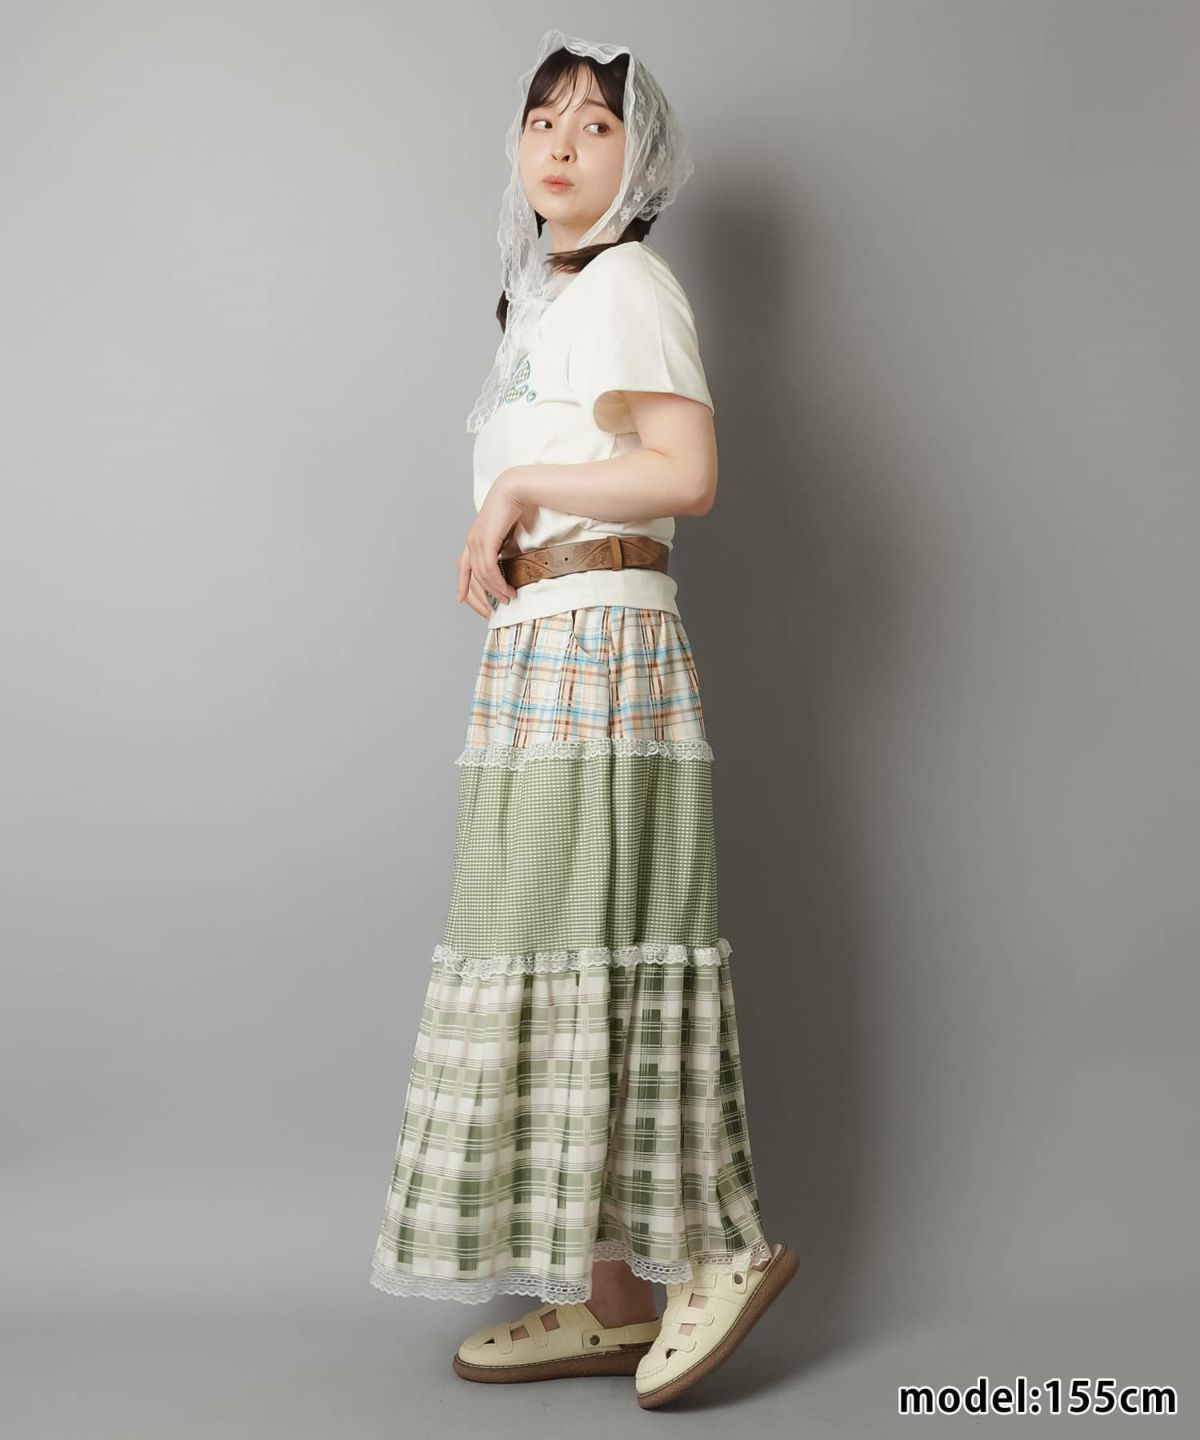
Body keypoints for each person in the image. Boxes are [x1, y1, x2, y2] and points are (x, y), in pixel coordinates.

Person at [369, 30, 797, 1409]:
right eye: (542, 118)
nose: (560, 142)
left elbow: (686, 471)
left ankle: (722, 1252)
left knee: (616, 940)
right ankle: (612, 1302)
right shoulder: (543, 305)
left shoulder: (628, 283)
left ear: (640, 159)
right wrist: (504, 531)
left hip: (607, 647)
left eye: (595, 123)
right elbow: (578, 474)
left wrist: (510, 498)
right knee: (557, 944)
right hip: (545, 647)